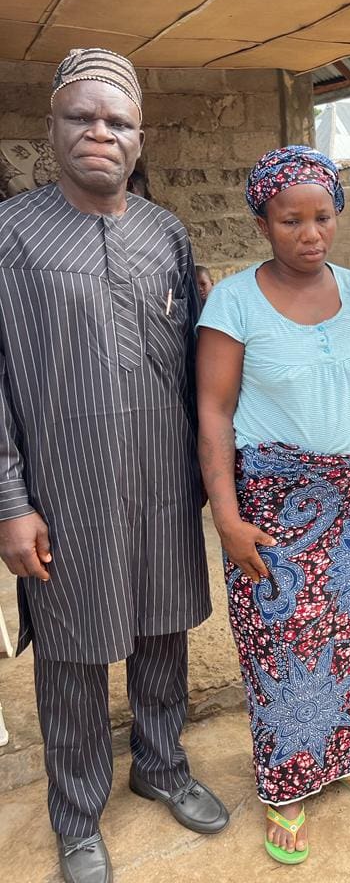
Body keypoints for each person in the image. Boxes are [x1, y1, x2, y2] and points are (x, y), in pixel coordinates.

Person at [0, 48, 228, 883]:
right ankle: (76, 812)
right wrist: (9, 500)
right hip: (64, 485)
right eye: (82, 117)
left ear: (140, 138)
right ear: (50, 129)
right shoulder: (9, 235)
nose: (100, 132)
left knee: (163, 630)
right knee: (71, 651)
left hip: (161, 481)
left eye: (118, 121)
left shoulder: (166, 232)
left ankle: (161, 765)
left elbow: (202, 363)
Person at [196, 145, 350, 864]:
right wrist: (226, 517)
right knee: (282, 645)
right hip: (274, 506)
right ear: (263, 223)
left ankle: (345, 752)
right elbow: (214, 411)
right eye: (291, 220)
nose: (310, 234)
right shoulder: (234, 302)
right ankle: (286, 783)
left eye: (322, 217)